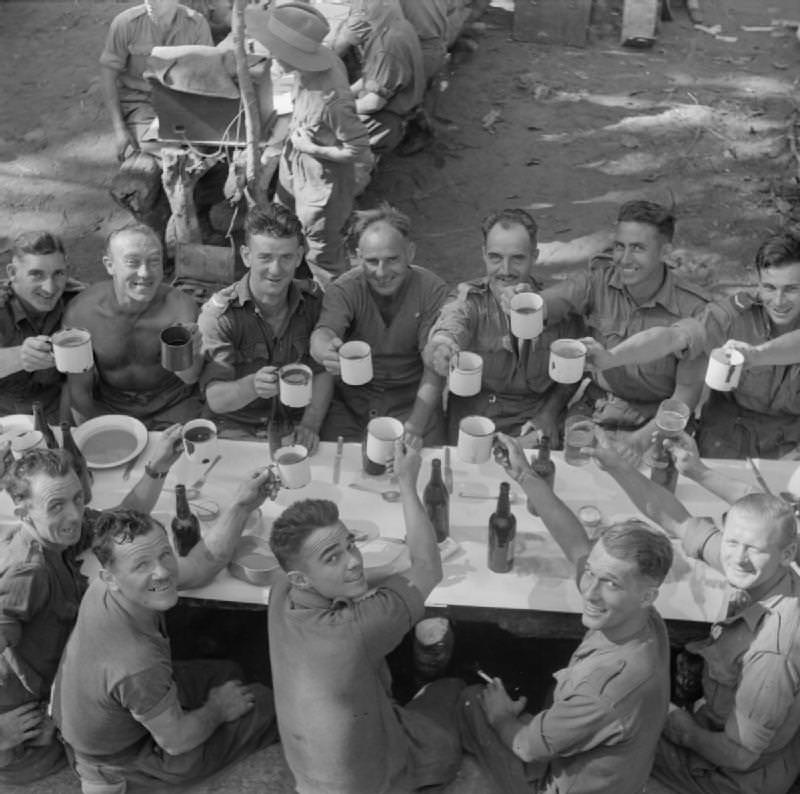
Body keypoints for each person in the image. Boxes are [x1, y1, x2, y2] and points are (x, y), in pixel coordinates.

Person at [458, 432, 673, 794]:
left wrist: (501, 717)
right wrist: (524, 474)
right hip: (599, 754)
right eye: (592, 572)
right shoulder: (641, 617)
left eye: (611, 583)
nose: (588, 591)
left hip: (558, 782)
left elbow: (526, 746)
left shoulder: (605, 690)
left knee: (461, 700)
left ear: (646, 594)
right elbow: (576, 545)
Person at [590, 440, 800, 794]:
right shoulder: (762, 569)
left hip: (731, 777)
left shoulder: (773, 652)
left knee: (603, 740)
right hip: (724, 723)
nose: (738, 558)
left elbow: (740, 757)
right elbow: (678, 520)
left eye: (754, 549)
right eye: (732, 542)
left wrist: (678, 726)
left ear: (787, 553)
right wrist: (616, 465)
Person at [268, 441, 464, 794]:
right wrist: (406, 482)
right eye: (333, 558)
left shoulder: (282, 587)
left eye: (351, 544)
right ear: (302, 577)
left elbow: (346, 575)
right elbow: (428, 567)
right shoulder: (356, 629)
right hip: (364, 783)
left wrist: (383, 570)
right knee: (452, 696)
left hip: (310, 773)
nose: (354, 561)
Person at [54, 487, 279, 793]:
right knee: (265, 703)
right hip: (125, 755)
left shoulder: (106, 587)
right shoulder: (137, 664)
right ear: (111, 579)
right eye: (142, 565)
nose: (162, 573)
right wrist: (216, 709)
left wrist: (242, 504)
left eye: (164, 555)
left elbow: (201, 564)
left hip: (109, 710)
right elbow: (176, 741)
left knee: (228, 672)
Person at [0, 428, 183, 785]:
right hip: (21, 715)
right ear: (24, 512)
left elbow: (118, 523)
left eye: (78, 499)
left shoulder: (59, 531)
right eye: (56, 505)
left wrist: (157, 469)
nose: (74, 515)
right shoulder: (26, 573)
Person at [584, 231, 800, 458]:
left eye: (792, 289)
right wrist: (612, 357)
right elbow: (670, 338)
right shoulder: (734, 315)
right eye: (769, 287)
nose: (778, 301)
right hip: (729, 437)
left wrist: (755, 355)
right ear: (758, 282)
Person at [539, 200, 709, 453]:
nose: (624, 259)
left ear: (665, 253)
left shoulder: (694, 309)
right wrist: (519, 300)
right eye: (620, 246)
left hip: (658, 424)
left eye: (638, 248)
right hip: (596, 413)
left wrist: (640, 440)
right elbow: (547, 303)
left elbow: (686, 396)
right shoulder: (597, 283)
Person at [424, 208, 582, 446]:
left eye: (517, 258)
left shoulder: (557, 306)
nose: (505, 270)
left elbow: (572, 374)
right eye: (495, 257)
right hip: (473, 425)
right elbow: (450, 325)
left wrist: (549, 414)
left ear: (534, 256)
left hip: (533, 425)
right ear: (484, 255)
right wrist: (442, 347)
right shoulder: (470, 300)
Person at [246, 2, 370, 279]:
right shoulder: (310, 67)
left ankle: (339, 310)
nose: (275, 57)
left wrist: (311, 148)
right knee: (281, 224)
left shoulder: (331, 99)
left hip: (320, 186)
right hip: (294, 170)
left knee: (322, 257)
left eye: (280, 52)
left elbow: (359, 149)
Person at [309, 204, 448, 447]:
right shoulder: (345, 289)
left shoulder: (432, 290)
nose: (382, 272)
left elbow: (434, 366)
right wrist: (325, 350)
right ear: (357, 258)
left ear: (410, 253)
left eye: (392, 260)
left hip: (412, 403)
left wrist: (415, 427)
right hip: (351, 404)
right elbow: (324, 332)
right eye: (372, 261)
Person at [198, 204, 333, 445]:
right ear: (246, 256)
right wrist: (252, 386)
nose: (276, 269)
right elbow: (215, 399)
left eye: (286, 257)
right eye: (265, 257)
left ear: (300, 256)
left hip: (295, 424)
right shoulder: (219, 316)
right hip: (236, 428)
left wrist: (311, 424)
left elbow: (322, 371)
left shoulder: (313, 302)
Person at [64, 224, 204, 429]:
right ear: (110, 265)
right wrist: (106, 430)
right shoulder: (82, 313)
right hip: (112, 407)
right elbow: (80, 392)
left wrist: (190, 353)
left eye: (154, 261)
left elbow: (190, 378)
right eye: (133, 262)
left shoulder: (179, 307)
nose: (145, 273)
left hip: (175, 405)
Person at [100, 0, 213, 162]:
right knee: (167, 147)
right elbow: (108, 75)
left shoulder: (196, 24)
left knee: (207, 144)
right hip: (141, 104)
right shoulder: (125, 23)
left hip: (184, 102)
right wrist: (119, 130)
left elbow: (208, 77)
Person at [0, 231, 84, 422]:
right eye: (36, 275)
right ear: (12, 273)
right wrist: (19, 356)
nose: (50, 288)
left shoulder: (78, 301)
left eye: (58, 274)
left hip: (61, 418)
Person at [334, 0, 426, 155]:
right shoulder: (394, 22)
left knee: (328, 132)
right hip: (402, 100)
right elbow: (370, 77)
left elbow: (373, 104)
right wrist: (345, 94)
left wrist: (333, 108)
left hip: (391, 115)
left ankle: (394, 137)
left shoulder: (386, 45)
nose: (358, 9)